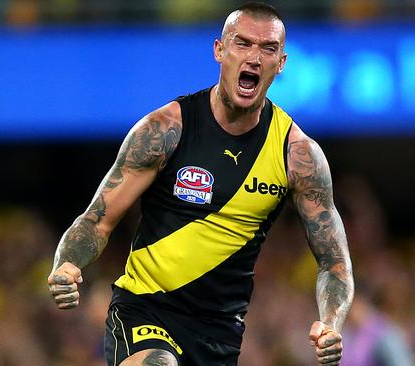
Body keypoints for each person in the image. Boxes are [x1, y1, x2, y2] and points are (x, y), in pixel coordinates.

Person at [47, 2, 354, 365]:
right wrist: (67, 263)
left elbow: (334, 263)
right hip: (145, 312)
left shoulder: (297, 156)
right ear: (219, 50)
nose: (254, 58)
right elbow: (96, 220)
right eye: (243, 44)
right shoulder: (164, 130)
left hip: (219, 335)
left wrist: (331, 323)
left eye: (268, 49)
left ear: (282, 63)